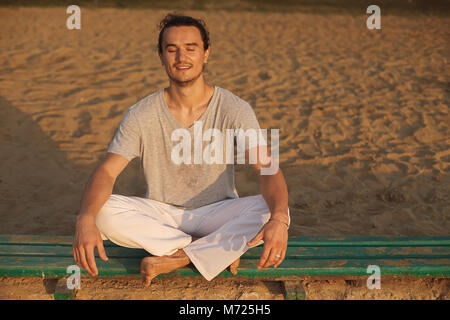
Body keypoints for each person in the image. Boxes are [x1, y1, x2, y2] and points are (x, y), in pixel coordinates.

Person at [73, 13, 290, 287]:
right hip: (162, 215)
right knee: (102, 210)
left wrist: (280, 220)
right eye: (172, 49)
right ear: (162, 56)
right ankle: (211, 252)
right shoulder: (141, 113)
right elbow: (107, 171)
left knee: (273, 210)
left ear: (206, 54)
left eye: (191, 48)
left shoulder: (234, 108)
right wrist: (85, 218)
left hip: (218, 212)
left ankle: (177, 256)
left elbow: (268, 168)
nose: (181, 57)